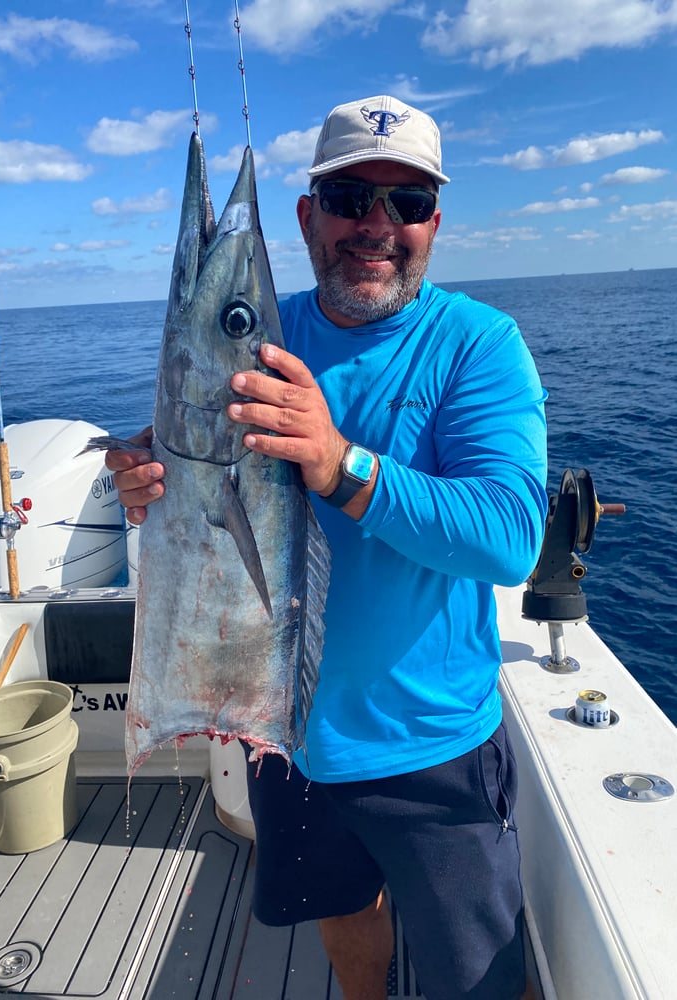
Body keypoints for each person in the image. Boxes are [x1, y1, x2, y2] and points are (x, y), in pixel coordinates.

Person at [107, 95, 548, 1000]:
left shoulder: (478, 346)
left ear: (434, 223)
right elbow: (195, 456)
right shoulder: (265, 336)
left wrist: (339, 462)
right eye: (351, 197)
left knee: (480, 978)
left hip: (433, 748)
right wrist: (146, 476)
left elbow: (510, 538)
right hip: (288, 742)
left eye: (408, 203)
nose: (377, 226)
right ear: (308, 217)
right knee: (346, 927)